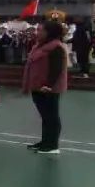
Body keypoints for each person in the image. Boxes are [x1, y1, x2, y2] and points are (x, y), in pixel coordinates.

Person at [22, 19, 67, 155]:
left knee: (51, 117)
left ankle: (52, 145)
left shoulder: (56, 47)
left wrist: (48, 85)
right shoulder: (39, 45)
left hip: (48, 88)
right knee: (45, 117)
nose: (37, 32)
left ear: (49, 32)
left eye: (40, 30)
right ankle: (45, 141)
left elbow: (57, 69)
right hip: (37, 87)